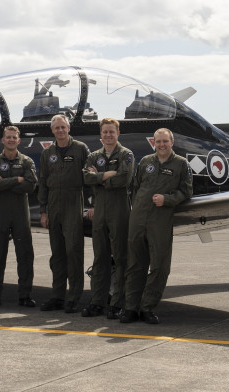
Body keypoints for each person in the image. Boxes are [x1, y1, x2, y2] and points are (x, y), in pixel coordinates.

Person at [120, 128, 192, 324]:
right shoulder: (145, 162)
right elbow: (136, 187)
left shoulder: (181, 165)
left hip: (160, 220)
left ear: (172, 142)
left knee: (160, 266)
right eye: (158, 141)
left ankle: (147, 307)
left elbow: (186, 192)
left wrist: (167, 199)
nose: (161, 145)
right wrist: (138, 210)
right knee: (135, 265)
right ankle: (130, 308)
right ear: (154, 143)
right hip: (138, 218)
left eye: (165, 141)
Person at [81, 118, 134, 319]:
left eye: (111, 132)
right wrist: (107, 175)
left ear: (117, 133)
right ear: (100, 134)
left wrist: (99, 177)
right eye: (105, 132)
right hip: (100, 209)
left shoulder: (126, 154)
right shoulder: (94, 156)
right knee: (100, 257)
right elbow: (86, 177)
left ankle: (118, 303)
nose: (108, 135)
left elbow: (124, 179)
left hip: (119, 209)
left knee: (121, 258)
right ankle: (97, 302)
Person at [38, 114, 90, 314]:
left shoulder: (80, 149)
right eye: (56, 128)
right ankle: (57, 296)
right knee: (57, 255)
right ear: (52, 130)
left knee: (73, 252)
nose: (60, 130)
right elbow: (42, 182)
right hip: (53, 204)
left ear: (69, 128)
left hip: (73, 203)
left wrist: (90, 205)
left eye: (63, 127)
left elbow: (90, 177)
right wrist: (43, 211)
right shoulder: (47, 153)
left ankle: (74, 297)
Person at [0, 126, 38, 307]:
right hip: (0, 214)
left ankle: (25, 295)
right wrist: (17, 180)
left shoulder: (27, 162)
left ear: (18, 140)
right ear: (3, 140)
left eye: (14, 137)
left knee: (25, 255)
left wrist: (4, 182)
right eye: (8, 137)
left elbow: (30, 185)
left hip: (20, 214)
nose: (11, 140)